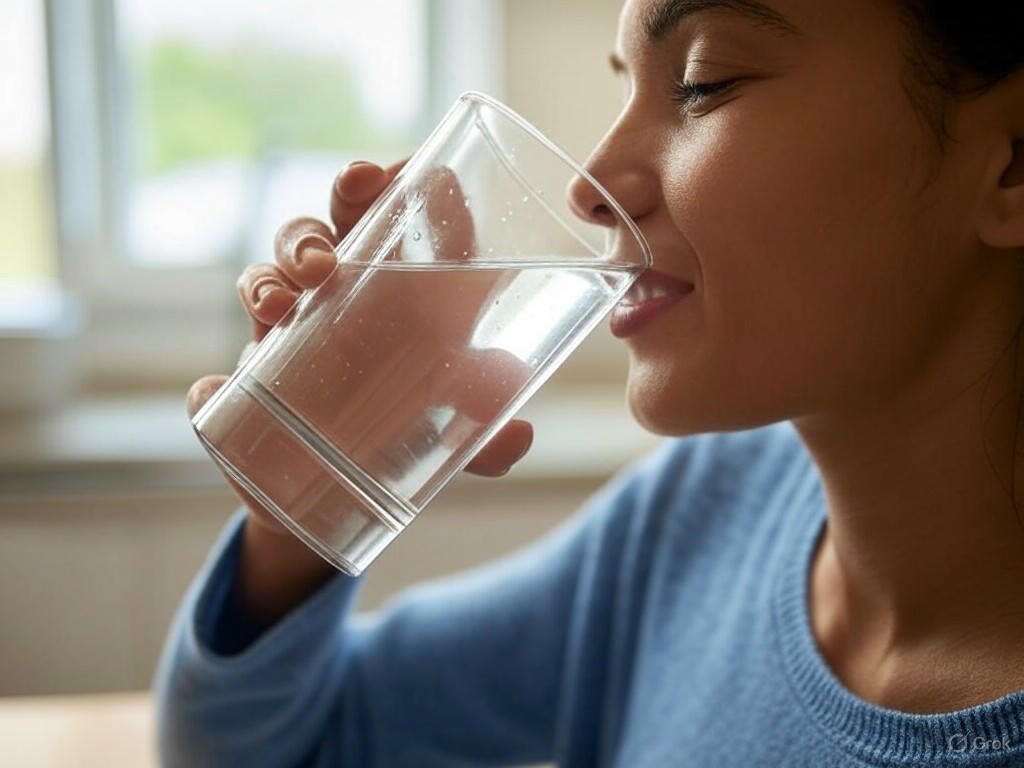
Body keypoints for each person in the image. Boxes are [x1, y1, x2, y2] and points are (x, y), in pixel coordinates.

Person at [153, 0, 1024, 765]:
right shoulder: (699, 518)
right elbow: (277, 748)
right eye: (624, 88)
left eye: (703, 83)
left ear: (1013, 162)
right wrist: (308, 507)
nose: (590, 187)